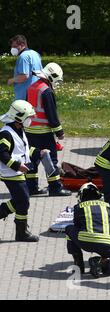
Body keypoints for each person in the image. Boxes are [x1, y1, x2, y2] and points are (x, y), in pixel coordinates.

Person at [25, 62, 71, 197]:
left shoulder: (32, 87)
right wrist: (59, 132)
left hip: (29, 130)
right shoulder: (46, 91)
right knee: (51, 159)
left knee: (32, 159)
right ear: (53, 77)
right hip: (44, 132)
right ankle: (55, 188)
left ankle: (32, 188)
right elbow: (51, 114)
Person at [0, 100, 42, 242]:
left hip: (16, 172)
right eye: (28, 117)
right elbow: (2, 154)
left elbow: (23, 149)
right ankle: (21, 233)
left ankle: (21, 232)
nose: (30, 120)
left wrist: (39, 153)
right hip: (10, 173)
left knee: (21, 200)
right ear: (19, 118)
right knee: (23, 201)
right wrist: (17, 166)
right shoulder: (6, 133)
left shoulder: (19, 130)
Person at [65, 183, 110, 278]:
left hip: (85, 242)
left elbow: (77, 226)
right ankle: (101, 265)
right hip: (107, 243)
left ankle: (78, 266)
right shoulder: (108, 206)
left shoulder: (78, 207)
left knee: (69, 229)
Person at [7, 35, 43, 101]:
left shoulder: (23, 56)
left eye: (15, 46)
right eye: (12, 47)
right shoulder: (36, 54)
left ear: (22, 44)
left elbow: (24, 76)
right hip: (36, 92)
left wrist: (12, 80)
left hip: (25, 95)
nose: (12, 49)